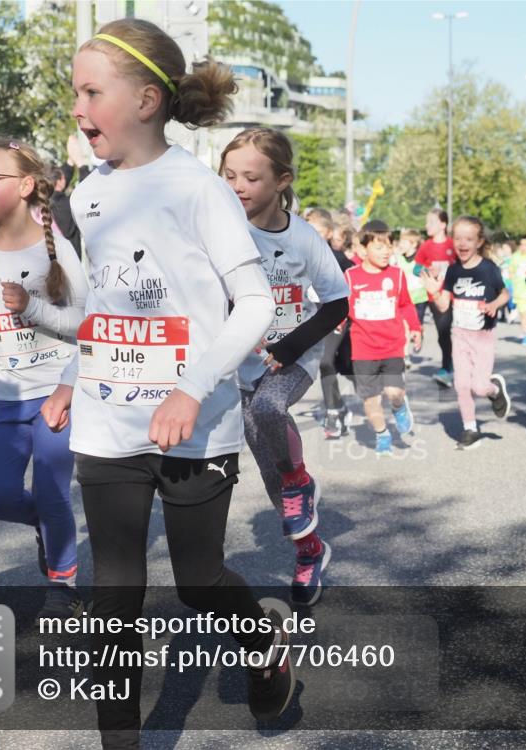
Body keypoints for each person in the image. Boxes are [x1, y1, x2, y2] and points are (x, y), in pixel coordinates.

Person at [38, 19, 294, 744]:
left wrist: (190, 388)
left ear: (147, 100)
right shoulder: (87, 195)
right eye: (75, 92)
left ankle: (263, 645)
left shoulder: (197, 189)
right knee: (114, 595)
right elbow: (97, 305)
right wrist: (67, 374)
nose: (78, 108)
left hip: (196, 420)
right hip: (109, 422)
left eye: (92, 92)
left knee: (197, 582)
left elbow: (255, 303)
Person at [220, 127, 348, 606]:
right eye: (229, 175)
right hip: (238, 364)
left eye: (251, 177)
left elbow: (337, 305)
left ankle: (301, 478)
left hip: (291, 360)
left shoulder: (303, 238)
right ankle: (309, 550)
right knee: (269, 468)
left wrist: (291, 347)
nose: (238, 186)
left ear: (281, 181)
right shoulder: (221, 232)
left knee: (270, 410)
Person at [0, 138, 87, 619]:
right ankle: (47, 526)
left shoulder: (55, 249)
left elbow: (86, 323)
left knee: (55, 490)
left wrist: (31, 306)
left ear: (27, 185)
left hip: (56, 391)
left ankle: (63, 578)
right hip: (7, 396)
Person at [421, 216, 510, 450]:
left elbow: (505, 294)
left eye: (468, 239)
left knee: (479, 387)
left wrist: (494, 305)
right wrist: (433, 292)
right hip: (459, 335)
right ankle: (470, 428)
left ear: (479, 242)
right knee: (461, 384)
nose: (462, 243)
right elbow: (443, 305)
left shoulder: (489, 268)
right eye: (458, 238)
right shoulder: (453, 271)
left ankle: (494, 389)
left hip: (483, 336)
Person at [346, 223, 422, 455]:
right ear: (364, 248)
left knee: (393, 392)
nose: (386, 251)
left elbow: (406, 304)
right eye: (379, 247)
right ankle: (382, 433)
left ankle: (399, 408)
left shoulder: (397, 275)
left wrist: (416, 328)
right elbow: (342, 307)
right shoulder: (350, 276)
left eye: (389, 246)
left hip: (392, 345)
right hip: (363, 349)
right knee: (370, 398)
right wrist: (336, 323)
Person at [309, 208, 356, 439]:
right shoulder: (301, 255)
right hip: (313, 316)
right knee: (325, 363)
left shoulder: (338, 258)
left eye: (317, 231)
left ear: (328, 233)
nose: (312, 235)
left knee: (332, 362)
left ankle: (339, 409)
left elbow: (354, 280)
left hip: (336, 315)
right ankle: (336, 411)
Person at [416, 208, 455, 386]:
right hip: (435, 297)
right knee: (443, 332)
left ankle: (460, 366)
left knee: (463, 333)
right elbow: (416, 268)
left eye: (430, 222)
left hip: (456, 296)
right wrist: (426, 270)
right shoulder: (426, 246)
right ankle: (447, 367)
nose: (427, 225)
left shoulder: (452, 245)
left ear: (443, 224)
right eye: (426, 222)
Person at [49, 165, 83, 259]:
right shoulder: (67, 204)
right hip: (73, 255)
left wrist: (70, 163)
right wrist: (82, 167)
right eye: (63, 177)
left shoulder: (47, 200)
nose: (65, 179)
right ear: (59, 182)